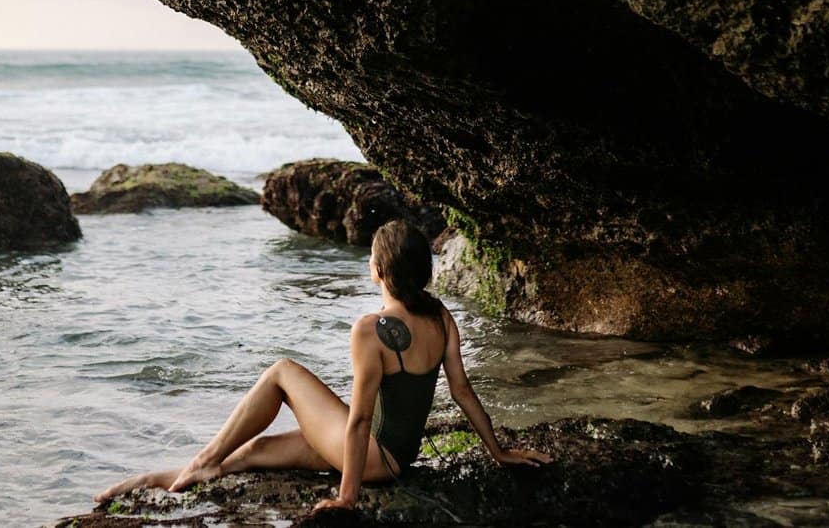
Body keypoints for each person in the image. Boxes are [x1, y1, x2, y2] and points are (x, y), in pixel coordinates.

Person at [93, 219, 551, 512]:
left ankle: (201, 459)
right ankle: (148, 481)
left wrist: (346, 497)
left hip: (371, 457)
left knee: (282, 371)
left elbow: (359, 420)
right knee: (252, 455)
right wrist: (498, 452)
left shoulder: (370, 329)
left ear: (378, 271)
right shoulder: (441, 317)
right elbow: (463, 393)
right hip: (396, 459)